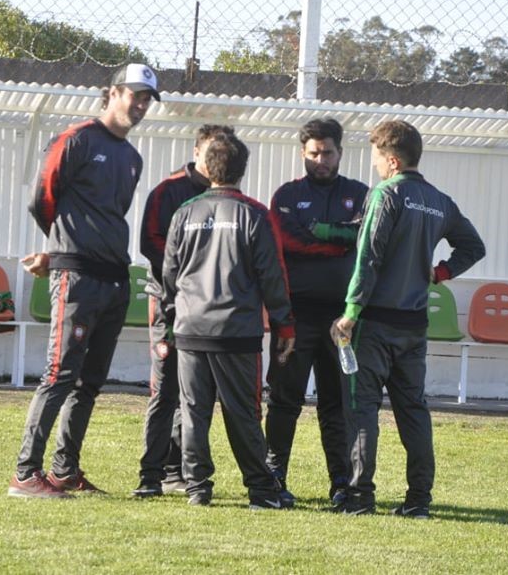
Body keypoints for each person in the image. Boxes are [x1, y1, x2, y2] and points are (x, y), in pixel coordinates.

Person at [7, 63, 161, 498]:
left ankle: (64, 470)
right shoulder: (75, 139)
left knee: (89, 383)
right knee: (59, 374)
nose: (141, 105)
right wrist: (61, 252)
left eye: (147, 99)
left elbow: (111, 215)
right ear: (112, 93)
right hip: (77, 277)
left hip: (115, 279)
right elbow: (41, 200)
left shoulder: (132, 158)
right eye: (135, 95)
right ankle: (25, 474)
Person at [331, 120, 485, 517]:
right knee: (413, 410)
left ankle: (360, 499)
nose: (375, 166)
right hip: (414, 324)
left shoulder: (385, 194)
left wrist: (350, 312)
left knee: (363, 408)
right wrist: (441, 272)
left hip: (374, 324)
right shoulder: (439, 201)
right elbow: (474, 246)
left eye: (377, 159)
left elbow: (368, 258)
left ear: (393, 161)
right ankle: (418, 501)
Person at [162, 131, 296, 509]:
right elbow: (273, 274)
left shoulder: (184, 213)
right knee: (244, 414)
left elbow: (169, 273)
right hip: (236, 332)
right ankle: (261, 490)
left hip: (190, 329)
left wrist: (172, 319)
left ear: (207, 168)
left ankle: (197, 488)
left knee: (193, 412)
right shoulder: (254, 214)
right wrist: (285, 325)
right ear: (242, 169)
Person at [264, 117, 368, 508]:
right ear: (302, 153)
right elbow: (287, 240)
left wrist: (318, 231)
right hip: (294, 317)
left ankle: (341, 482)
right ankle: (274, 478)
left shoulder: (360, 194)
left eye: (327, 153)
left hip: (342, 320)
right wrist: (337, 239)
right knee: (283, 400)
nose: (321, 161)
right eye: (314, 153)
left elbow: (363, 236)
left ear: (340, 152)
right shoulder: (287, 194)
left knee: (336, 404)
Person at [132, 124, 234, 498]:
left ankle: (177, 470)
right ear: (196, 151)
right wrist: (189, 278)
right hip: (168, 304)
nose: (215, 159)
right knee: (165, 390)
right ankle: (150, 475)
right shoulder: (168, 191)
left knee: (195, 394)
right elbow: (150, 243)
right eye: (210, 151)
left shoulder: (228, 197)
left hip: (207, 310)